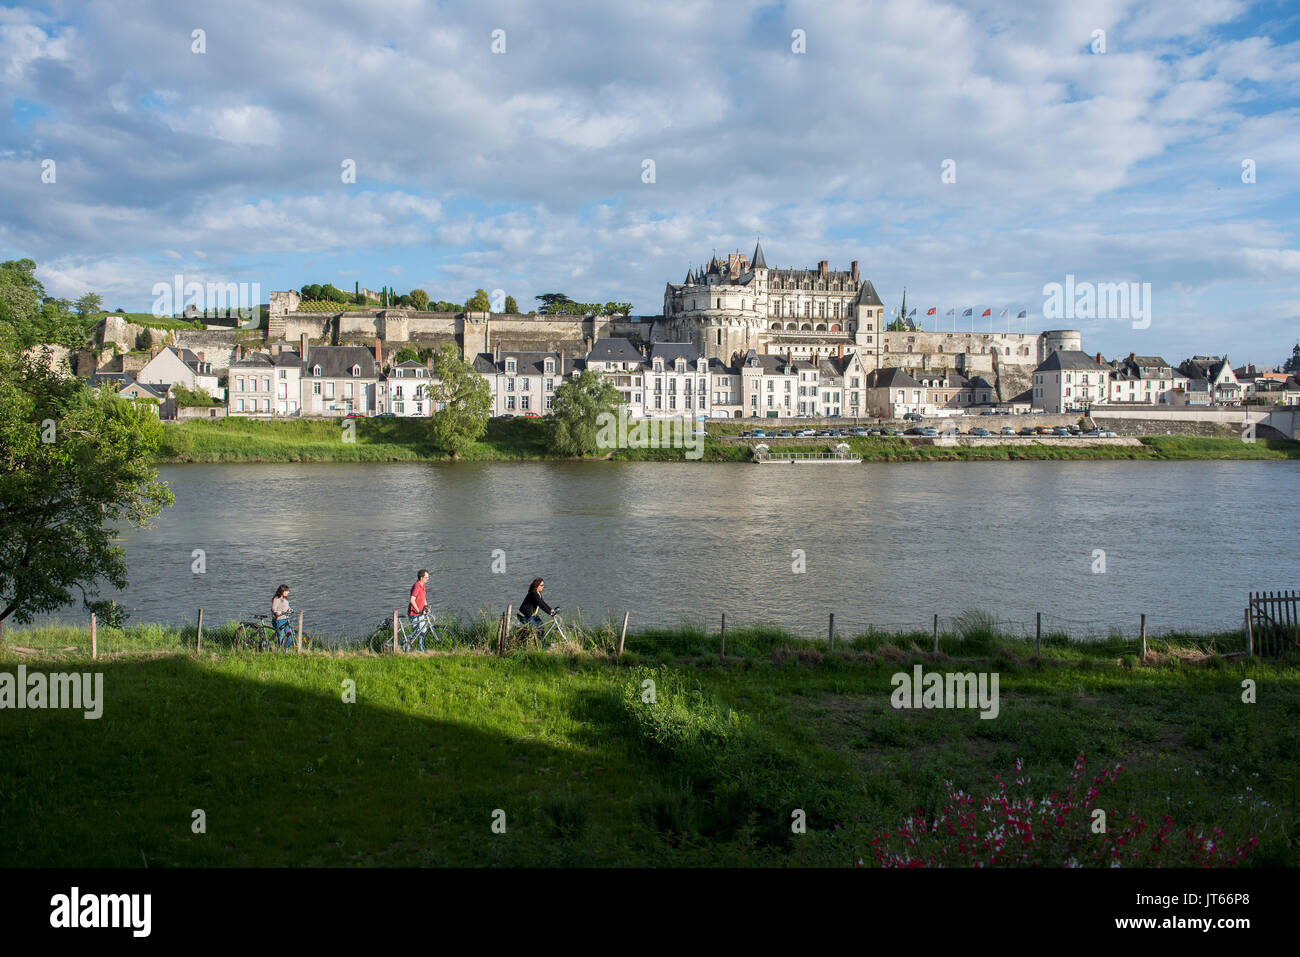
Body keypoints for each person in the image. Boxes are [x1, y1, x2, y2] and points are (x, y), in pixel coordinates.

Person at [408, 569, 430, 652]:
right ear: (421, 577)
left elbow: (423, 598)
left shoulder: (423, 585)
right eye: (426, 577)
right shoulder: (417, 586)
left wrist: (426, 607)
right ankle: (405, 645)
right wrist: (418, 610)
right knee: (416, 633)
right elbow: (412, 600)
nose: (427, 578)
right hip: (414, 614)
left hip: (421, 613)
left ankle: (421, 649)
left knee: (422, 630)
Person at [271, 584, 294, 651]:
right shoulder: (276, 599)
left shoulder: (285, 599)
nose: (288, 592)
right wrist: (277, 612)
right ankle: (276, 651)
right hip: (279, 620)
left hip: (286, 619)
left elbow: (287, 606)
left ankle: (285, 650)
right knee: (280, 637)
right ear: (282, 591)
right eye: (286, 591)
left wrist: (289, 609)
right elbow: (273, 608)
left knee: (290, 636)